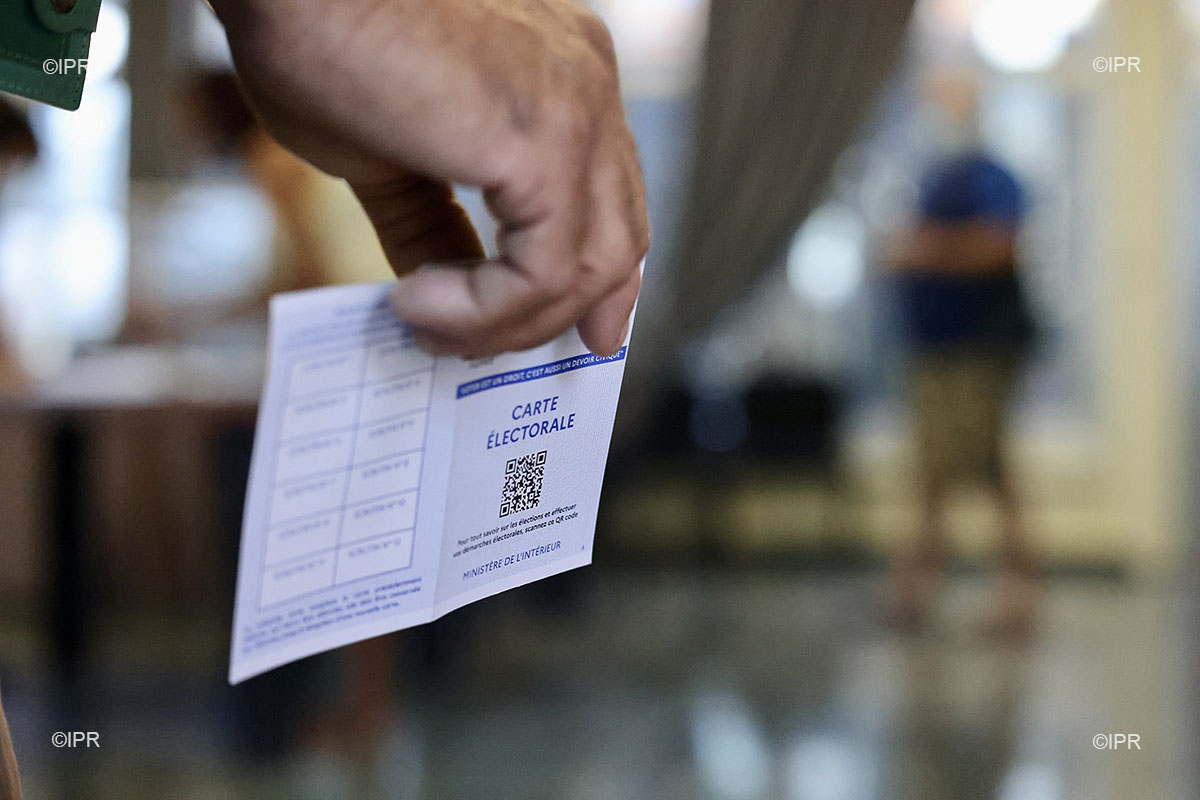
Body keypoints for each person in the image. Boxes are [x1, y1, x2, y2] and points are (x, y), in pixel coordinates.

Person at [0, 0, 648, 790]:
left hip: (382, 344)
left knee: (354, 548)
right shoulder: (292, 154)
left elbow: (311, 272)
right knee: (376, 548)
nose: (182, 130)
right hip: (403, 328)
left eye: (185, 114)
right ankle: (363, 716)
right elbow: (296, 271)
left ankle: (355, 715)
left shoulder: (276, 161)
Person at [883, 151, 1039, 637]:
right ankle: (918, 583)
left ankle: (1006, 588)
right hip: (933, 348)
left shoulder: (993, 178)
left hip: (981, 350)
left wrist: (929, 250)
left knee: (974, 461)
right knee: (945, 462)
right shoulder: (932, 176)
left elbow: (1001, 247)